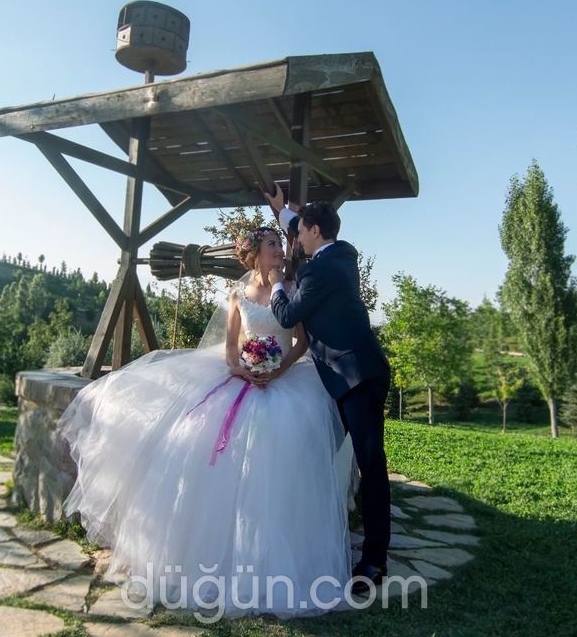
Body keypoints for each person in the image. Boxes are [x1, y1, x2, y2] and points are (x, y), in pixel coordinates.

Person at [56, 226, 352, 620]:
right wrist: (243, 369)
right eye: (272, 245)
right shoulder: (238, 296)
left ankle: (275, 557)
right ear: (254, 255)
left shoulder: (293, 287)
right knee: (201, 446)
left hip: (285, 380)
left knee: (276, 468)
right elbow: (231, 347)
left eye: (280, 244)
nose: (280, 250)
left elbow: (299, 342)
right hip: (242, 378)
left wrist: (275, 371)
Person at [264, 184, 392, 594]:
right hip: (356, 375)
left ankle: (374, 560)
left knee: (371, 466)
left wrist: (277, 283)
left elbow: (286, 316)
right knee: (364, 464)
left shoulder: (316, 271)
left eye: (300, 231)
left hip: (355, 376)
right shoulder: (342, 254)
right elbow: (303, 225)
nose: (295, 239)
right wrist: (284, 212)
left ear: (315, 231)